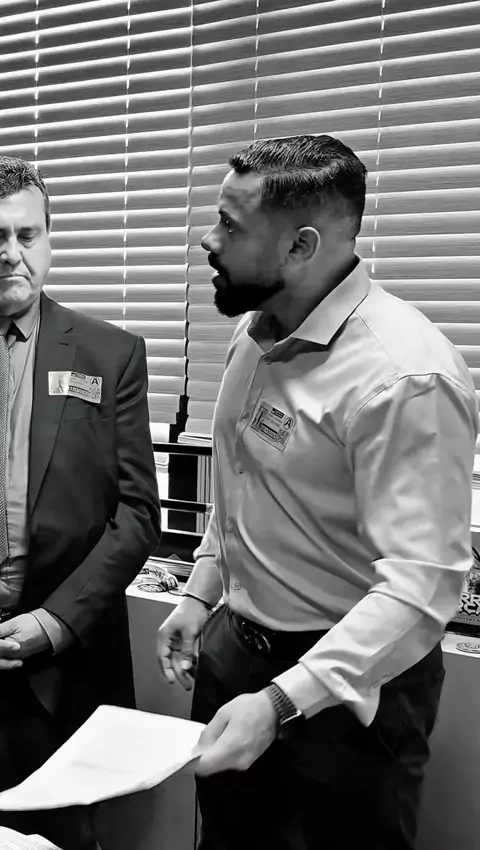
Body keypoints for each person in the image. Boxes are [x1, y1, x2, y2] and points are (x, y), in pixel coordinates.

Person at [157, 134, 478, 850]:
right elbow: (246, 487)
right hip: (236, 653)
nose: (207, 241)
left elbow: (421, 589)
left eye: (230, 226)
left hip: (347, 690)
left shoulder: (405, 377)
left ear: (301, 246)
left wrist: (280, 702)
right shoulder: (255, 332)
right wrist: (200, 593)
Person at [0, 157, 161, 850]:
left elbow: (137, 514)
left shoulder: (108, 354)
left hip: (57, 667)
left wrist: (55, 622)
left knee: (57, 836)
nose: (11, 253)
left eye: (26, 234)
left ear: (49, 239)